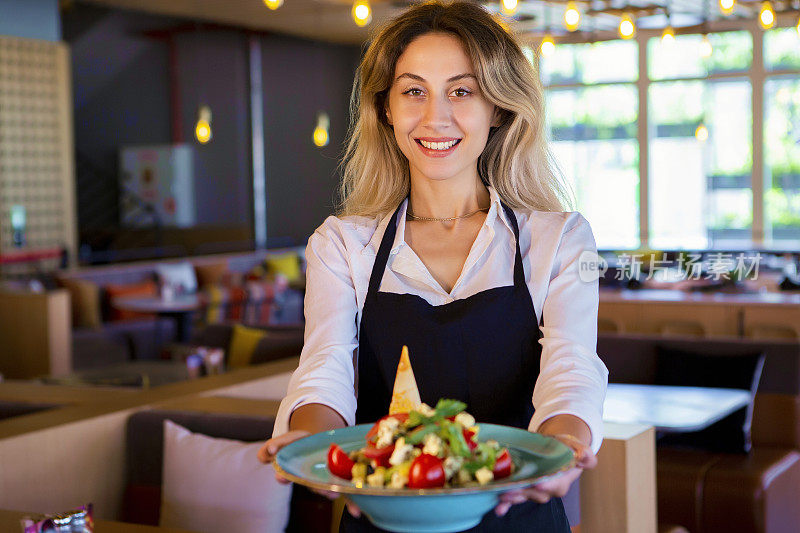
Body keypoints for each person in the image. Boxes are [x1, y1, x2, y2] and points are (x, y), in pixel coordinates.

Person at [258, 1, 608, 531]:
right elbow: (323, 371)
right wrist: (308, 443)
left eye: (462, 91)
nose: (434, 116)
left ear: (498, 108)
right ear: (387, 108)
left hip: (518, 517)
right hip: (383, 515)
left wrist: (564, 445)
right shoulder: (342, 245)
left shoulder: (560, 239)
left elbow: (572, 367)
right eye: (414, 90)